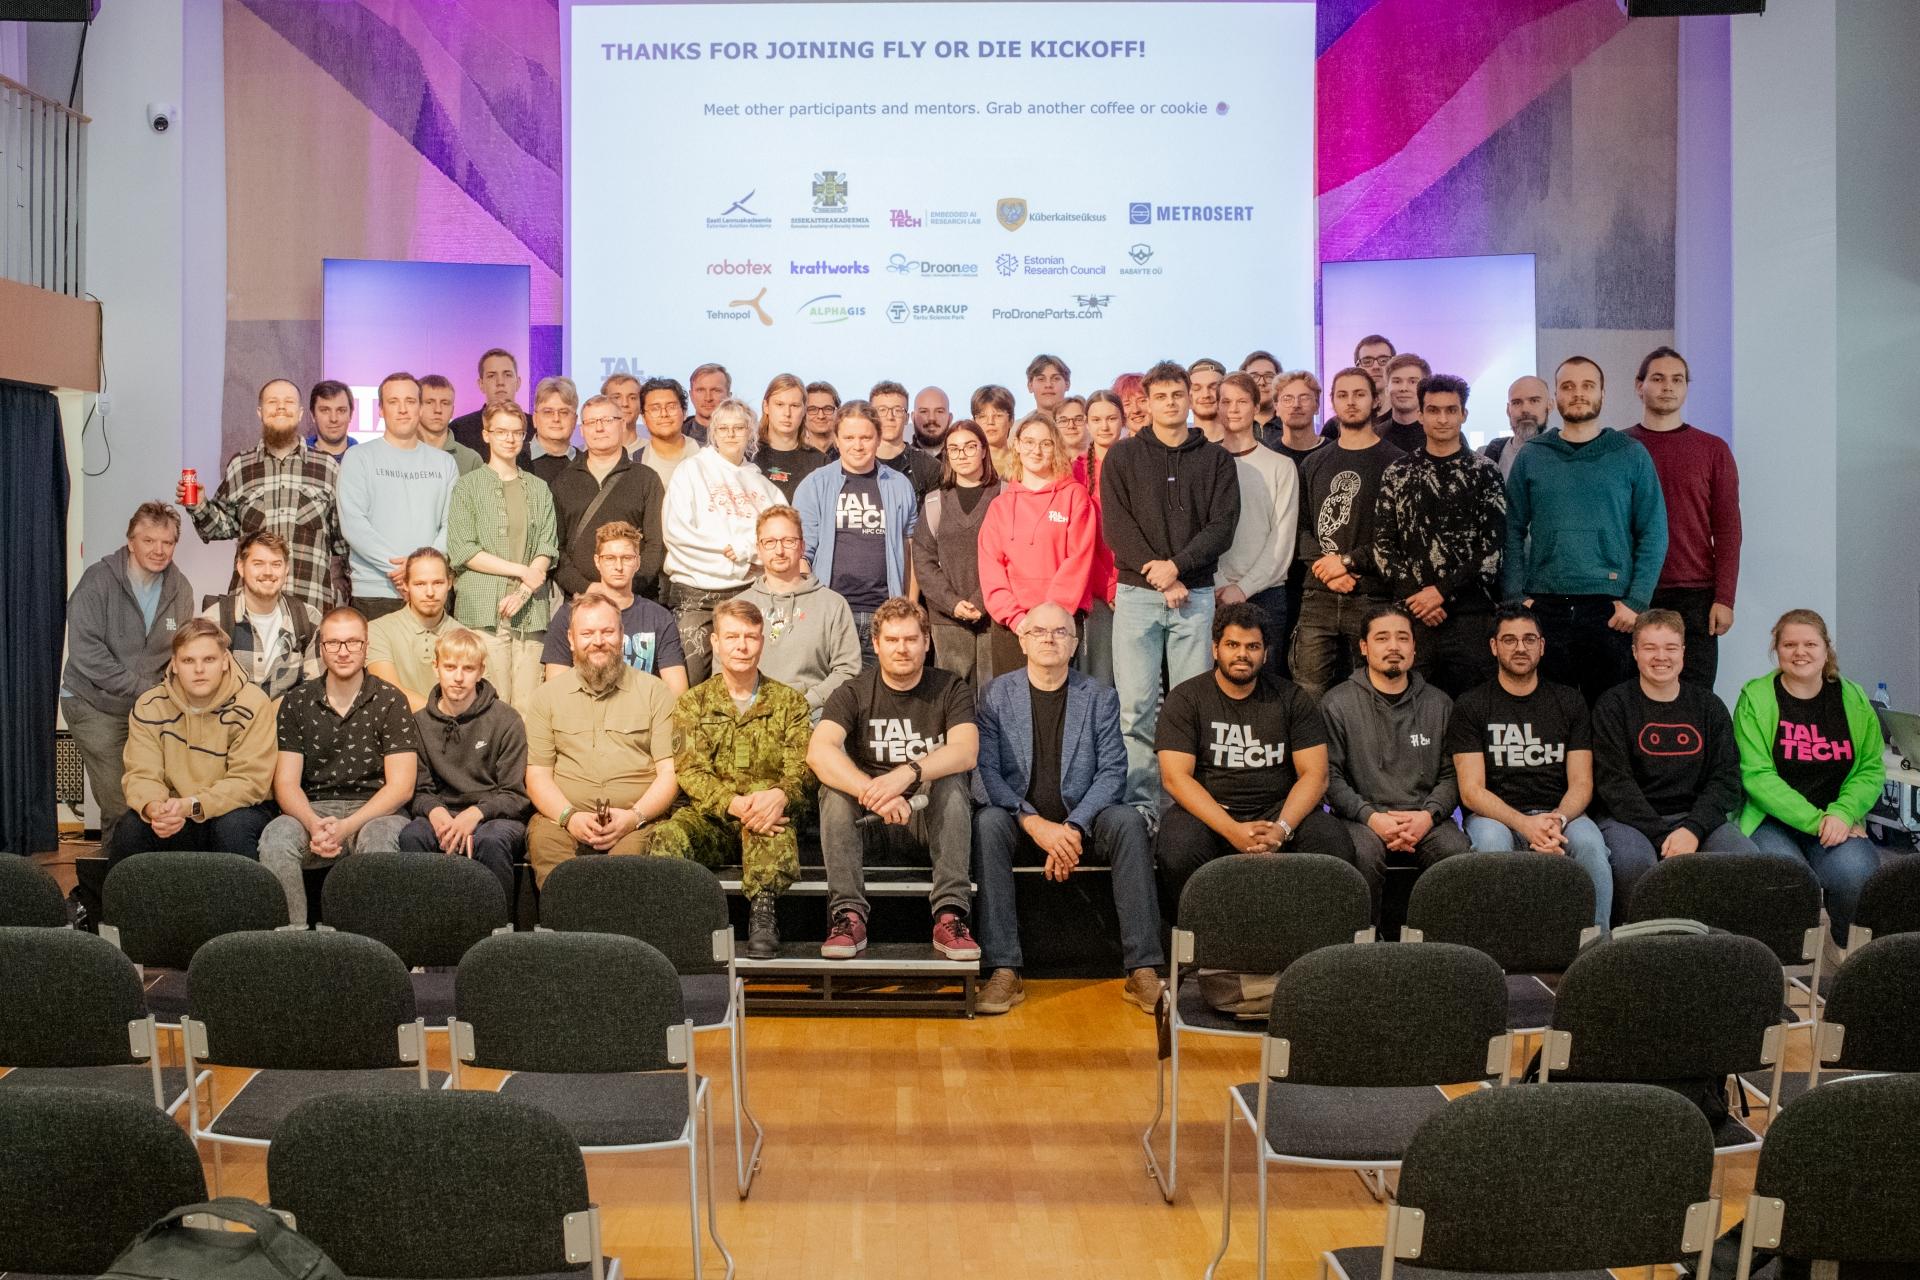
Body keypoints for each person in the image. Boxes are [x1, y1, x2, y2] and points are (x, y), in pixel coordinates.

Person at [971, 603, 1163, 1015]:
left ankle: (1143, 968)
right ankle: (1003, 969)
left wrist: (1073, 827)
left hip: (1084, 824)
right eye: (1038, 631)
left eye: (1060, 632)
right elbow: (984, 772)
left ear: (1075, 645)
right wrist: (1033, 823)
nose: (1049, 639)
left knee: (1128, 821)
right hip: (1020, 822)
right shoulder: (995, 695)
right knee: (987, 823)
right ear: (1022, 641)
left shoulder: (1100, 697)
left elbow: (1113, 772)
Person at [807, 598, 980, 960]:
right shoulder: (853, 691)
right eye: (892, 640)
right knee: (833, 792)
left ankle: (950, 915)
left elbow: (966, 751)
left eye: (911, 639)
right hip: (868, 822)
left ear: (927, 642)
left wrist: (907, 773)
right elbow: (819, 751)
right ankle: (848, 916)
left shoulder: (950, 688)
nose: (902, 648)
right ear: (876, 643)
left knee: (952, 783)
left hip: (925, 819)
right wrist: (872, 792)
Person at [1153, 603, 1357, 910]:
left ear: (1266, 653)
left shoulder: (1292, 698)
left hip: (1278, 809)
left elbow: (1316, 776)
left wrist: (1282, 828)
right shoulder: (1186, 698)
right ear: (1215, 649)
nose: (1242, 654)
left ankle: (1308, 934)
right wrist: (1232, 830)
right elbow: (1175, 778)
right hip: (1211, 812)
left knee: (1332, 843)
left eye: (1252, 646)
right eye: (1232, 645)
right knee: (1178, 850)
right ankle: (1205, 933)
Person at [1102, 360, 1240, 810]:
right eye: (1160, 396)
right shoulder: (1122, 456)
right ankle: (1142, 806)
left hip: (1194, 596)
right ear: (1146, 402)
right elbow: (1117, 528)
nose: (1170, 403)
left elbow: (1222, 526)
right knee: (1135, 710)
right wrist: (1159, 575)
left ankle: (1187, 807)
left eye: (1177, 395)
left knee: (1191, 709)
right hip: (1137, 595)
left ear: (1191, 398)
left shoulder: (1216, 459)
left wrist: (1177, 568)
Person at [1503, 356, 1668, 705]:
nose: (1578, 393)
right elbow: (1510, 529)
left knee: (1608, 712)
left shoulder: (1630, 454)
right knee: (1551, 713)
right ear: (1556, 398)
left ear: (1602, 394)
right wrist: (1518, 597)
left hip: (1611, 610)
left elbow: (1654, 532)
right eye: (1568, 386)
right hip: (1545, 605)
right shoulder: (1533, 455)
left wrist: (1636, 602)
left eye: (1587, 386)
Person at [657, 599, 814, 958]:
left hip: (767, 817)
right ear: (715, 642)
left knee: (773, 825)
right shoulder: (693, 703)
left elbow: (803, 768)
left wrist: (780, 795)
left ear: (762, 642)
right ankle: (677, 924)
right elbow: (691, 770)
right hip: (711, 819)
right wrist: (732, 803)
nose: (741, 646)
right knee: (667, 835)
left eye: (750, 637)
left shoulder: (789, 703)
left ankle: (763, 914)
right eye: (732, 637)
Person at [1446, 604, 1612, 927]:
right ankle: (1496, 947)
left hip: (1560, 814)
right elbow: (1471, 791)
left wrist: (1558, 820)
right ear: (1494, 647)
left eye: (1529, 639)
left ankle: (1596, 946)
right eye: (1509, 640)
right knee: (1492, 846)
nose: (1520, 648)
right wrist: (1525, 824)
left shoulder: (1570, 702)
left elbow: (1582, 783)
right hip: (1495, 816)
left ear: (1542, 646)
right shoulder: (1471, 705)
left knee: (1591, 846)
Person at [1734, 609, 1886, 945]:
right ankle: (1787, 960)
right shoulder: (1755, 699)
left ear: (1826, 649)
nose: (1799, 652)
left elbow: (1870, 767)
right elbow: (1756, 775)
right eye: (1789, 644)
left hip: (1836, 819)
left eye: (1810, 644)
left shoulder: (1854, 699)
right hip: (1771, 821)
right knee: (1788, 880)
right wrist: (1819, 821)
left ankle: (1846, 954)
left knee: (1859, 875)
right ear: (1777, 649)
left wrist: (1843, 812)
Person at [258, 607, 418, 924]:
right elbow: (286, 784)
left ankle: (371, 943)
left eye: (353, 642)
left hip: (376, 810)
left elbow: (401, 787)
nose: (343, 652)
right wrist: (313, 823)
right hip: (313, 808)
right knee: (276, 838)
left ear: (366, 646)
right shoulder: (297, 701)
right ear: (321, 648)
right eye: (333, 643)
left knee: (378, 841)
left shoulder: (391, 700)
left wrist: (348, 826)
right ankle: (292, 939)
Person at [1593, 611, 1756, 913]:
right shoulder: (1613, 705)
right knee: (1636, 866)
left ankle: (1721, 939)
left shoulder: (1709, 706)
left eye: (1670, 647)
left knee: (1746, 860)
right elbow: (1614, 784)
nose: (1661, 657)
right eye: (1650, 648)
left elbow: (1726, 779)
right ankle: (1640, 938)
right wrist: (1663, 836)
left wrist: (1692, 830)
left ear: (1683, 651)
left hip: (1695, 818)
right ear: (1635, 652)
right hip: (1629, 821)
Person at [521, 594, 680, 887]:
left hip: (636, 821)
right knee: (546, 846)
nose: (598, 641)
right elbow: (537, 776)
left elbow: (669, 774)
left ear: (621, 636)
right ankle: (565, 916)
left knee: (620, 878)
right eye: (587, 633)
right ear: (571, 640)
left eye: (607, 632)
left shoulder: (655, 693)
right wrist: (569, 817)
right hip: (562, 819)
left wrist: (633, 817)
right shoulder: (547, 697)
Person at [62, 502, 197, 843]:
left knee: (157, 797)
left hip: (148, 708)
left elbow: (180, 652)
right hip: (94, 704)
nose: (158, 550)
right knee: (121, 803)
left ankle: (149, 872)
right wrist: (145, 689)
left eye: (167, 542)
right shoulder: (98, 581)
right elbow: (87, 655)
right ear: (131, 541)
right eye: (149, 540)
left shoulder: (180, 588)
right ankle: (116, 873)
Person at [1320, 605, 1467, 915]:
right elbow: (1330, 777)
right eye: (1382, 638)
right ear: (1364, 647)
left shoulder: (1440, 704)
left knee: (1455, 853)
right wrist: (1371, 817)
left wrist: (1427, 816)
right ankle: (1364, 938)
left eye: (1402, 638)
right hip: (1361, 818)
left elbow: (1453, 775)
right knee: (1361, 854)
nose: (1393, 646)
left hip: (1425, 817)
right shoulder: (1336, 703)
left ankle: (1439, 940)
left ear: (1414, 647)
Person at [1374, 374, 1505, 698]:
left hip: (1471, 617)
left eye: (1451, 410)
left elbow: (1491, 550)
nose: (1442, 419)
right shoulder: (1398, 472)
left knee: (1473, 711)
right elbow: (1384, 546)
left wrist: (1441, 592)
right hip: (1413, 617)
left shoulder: (1485, 471)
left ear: (1464, 414)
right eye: (1433, 410)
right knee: (1411, 710)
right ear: (1420, 414)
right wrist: (1419, 599)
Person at [109, 619, 277, 865]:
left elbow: (249, 782)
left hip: (236, 809)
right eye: (188, 660)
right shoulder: (149, 705)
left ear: (225, 661)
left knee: (232, 829)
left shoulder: (253, 703)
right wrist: (155, 809)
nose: (199, 669)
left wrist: (194, 805)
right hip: (174, 808)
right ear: (174, 664)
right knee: (130, 830)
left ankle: (242, 893)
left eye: (209, 659)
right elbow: (141, 773)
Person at [1626, 347, 1742, 687]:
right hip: (1632, 592)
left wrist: (1725, 598)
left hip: (1695, 594)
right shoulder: (1619, 447)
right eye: (1658, 378)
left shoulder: (1713, 449)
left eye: (1677, 379)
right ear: (1639, 386)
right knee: (1631, 694)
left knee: (1695, 695)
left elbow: (1728, 529)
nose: (1668, 386)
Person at [181, 377, 345, 615]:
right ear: (260, 412)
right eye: (272, 402)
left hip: (309, 602)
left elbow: (341, 541)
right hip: (249, 604)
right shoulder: (240, 465)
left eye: (289, 402)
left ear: (300, 413)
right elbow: (220, 528)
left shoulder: (328, 467)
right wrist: (199, 505)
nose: (281, 407)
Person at [1290, 368, 1404, 700]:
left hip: (1371, 594)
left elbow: (1397, 536)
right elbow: (1301, 529)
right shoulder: (1313, 463)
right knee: (1308, 693)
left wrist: (1346, 563)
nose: (1351, 402)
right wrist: (1329, 569)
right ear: (1332, 402)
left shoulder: (1397, 463)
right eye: (1342, 395)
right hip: (1317, 594)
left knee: (1372, 693)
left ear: (1376, 401)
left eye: (1359, 394)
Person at [395, 627, 530, 902]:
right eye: (450, 667)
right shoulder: (419, 723)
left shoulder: (506, 720)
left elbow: (514, 795)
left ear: (481, 671)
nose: (458, 677)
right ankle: (421, 919)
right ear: (436, 667)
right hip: (442, 812)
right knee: (413, 835)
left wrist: (475, 814)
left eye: (468, 668)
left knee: (491, 841)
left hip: (494, 816)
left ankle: (497, 923)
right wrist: (436, 812)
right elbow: (418, 790)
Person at [446, 402, 559, 708]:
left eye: (517, 432)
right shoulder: (467, 487)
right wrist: (521, 571)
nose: (510, 439)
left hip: (530, 612)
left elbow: (547, 547)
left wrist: (523, 591)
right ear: (486, 435)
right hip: (482, 610)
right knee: (487, 706)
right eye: (501, 432)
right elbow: (463, 550)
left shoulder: (539, 488)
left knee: (528, 707)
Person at [662, 398, 783, 683]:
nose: (730, 434)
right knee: (693, 681)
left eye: (738, 428)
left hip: (748, 594)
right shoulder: (690, 471)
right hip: (696, 595)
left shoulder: (764, 486)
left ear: (750, 433)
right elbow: (676, 532)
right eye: (723, 428)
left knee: (745, 680)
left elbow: (779, 535)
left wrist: (746, 552)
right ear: (713, 433)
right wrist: (731, 557)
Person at [794, 401, 919, 665]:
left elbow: (911, 549)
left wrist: (910, 606)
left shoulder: (899, 485)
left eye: (865, 437)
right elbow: (802, 553)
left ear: (878, 438)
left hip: (885, 612)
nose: (858, 445)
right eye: (849, 437)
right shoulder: (815, 484)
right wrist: (812, 606)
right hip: (832, 612)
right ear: (837, 439)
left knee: (882, 688)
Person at [979, 412, 1097, 673]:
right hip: (1014, 626)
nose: (1037, 450)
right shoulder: (1000, 505)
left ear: (1056, 448)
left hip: (1060, 623)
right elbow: (991, 567)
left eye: (1046, 443)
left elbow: (1079, 559)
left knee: (1061, 696)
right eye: (1029, 442)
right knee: (1013, 697)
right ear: (1017, 446)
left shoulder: (1074, 496)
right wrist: (1016, 618)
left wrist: (1050, 618)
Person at [335, 372, 458, 620]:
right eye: (393, 402)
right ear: (381, 409)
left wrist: (421, 572)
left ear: (420, 408)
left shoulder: (445, 463)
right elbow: (354, 525)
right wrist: (405, 571)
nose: (402, 409)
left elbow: (452, 525)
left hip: (430, 592)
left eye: (410, 401)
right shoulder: (358, 457)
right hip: (374, 592)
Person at [740, 505, 860, 723]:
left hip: (813, 714)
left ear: (802, 546)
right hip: (752, 716)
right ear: (759, 548)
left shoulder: (832, 604)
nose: (779, 550)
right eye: (770, 542)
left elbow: (847, 670)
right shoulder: (739, 606)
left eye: (789, 541)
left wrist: (805, 702)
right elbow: (723, 672)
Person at [543, 522, 688, 693]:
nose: (619, 567)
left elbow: (677, 690)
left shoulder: (658, 617)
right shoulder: (569, 615)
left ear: (638, 562)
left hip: (641, 706)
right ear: (597, 561)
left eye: (627, 558)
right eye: (610, 558)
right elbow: (555, 688)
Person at [551, 393, 667, 601]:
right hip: (581, 600)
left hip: (635, 598)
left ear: (622, 424)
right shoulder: (563, 481)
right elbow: (556, 548)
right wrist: (585, 587)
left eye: (607, 420)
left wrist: (628, 587)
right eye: (591, 422)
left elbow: (656, 545)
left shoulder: (646, 479)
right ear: (582, 430)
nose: (599, 428)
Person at [912, 420, 1003, 684]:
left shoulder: (1006, 495)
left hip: (996, 617)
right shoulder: (934, 502)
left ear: (984, 450)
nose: (962, 455)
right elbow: (924, 560)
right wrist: (953, 603)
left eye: (970, 447)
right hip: (947, 620)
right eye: (954, 449)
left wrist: (981, 602)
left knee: (995, 694)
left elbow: (1013, 557)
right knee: (952, 695)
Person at [1213, 371, 1297, 648]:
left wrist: (1243, 588)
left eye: (1242, 402)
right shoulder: (1204, 463)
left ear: (1256, 406)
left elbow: (1281, 539)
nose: (1233, 409)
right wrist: (1220, 584)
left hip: (1266, 593)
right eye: (1226, 402)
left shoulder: (1280, 466)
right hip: (1212, 592)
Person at [200, 530, 322, 702]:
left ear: (286, 569)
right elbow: (203, 690)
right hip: (231, 717)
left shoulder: (308, 619)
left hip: (289, 716)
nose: (268, 572)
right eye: (258, 564)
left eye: (276, 564)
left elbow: (314, 689)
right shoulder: (214, 621)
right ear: (241, 567)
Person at [366, 548, 457, 713]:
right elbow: (391, 692)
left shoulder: (465, 636)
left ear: (449, 583)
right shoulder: (377, 630)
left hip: (454, 726)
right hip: (400, 724)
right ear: (405, 584)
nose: (430, 592)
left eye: (438, 583)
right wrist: (443, 716)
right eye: (420, 584)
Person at [1080, 390, 1127, 683]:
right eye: (1096, 419)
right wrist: (1108, 588)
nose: (1105, 426)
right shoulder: (1075, 470)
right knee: (1100, 675)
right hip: (1095, 589)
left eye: (1111, 418)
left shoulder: (1138, 464)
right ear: (1086, 423)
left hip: (1134, 582)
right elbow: (1078, 541)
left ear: (1123, 420)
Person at [757, 372, 827, 501]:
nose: (787, 413)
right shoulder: (749, 455)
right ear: (766, 406)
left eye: (794, 406)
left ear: (804, 409)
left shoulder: (820, 462)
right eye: (779, 404)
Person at [870, 380, 941, 499]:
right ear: (871, 416)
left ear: (907, 418)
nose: (890, 417)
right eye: (882, 410)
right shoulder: (855, 463)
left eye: (898, 410)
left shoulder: (927, 466)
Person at [448, 347, 523, 455]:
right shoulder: (459, 429)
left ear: (518, 383)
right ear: (481, 384)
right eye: (491, 376)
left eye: (507, 375)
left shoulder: (536, 428)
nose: (500, 382)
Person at [638, 377, 704, 489]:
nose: (664, 414)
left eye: (671, 407)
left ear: (685, 412)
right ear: (643, 418)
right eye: (655, 409)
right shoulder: (635, 461)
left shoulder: (706, 454)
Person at [416, 374, 485, 476]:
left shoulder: (471, 460)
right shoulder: (398, 454)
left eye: (445, 403)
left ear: (452, 410)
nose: (438, 410)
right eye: (429, 402)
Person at [1483, 375, 1548, 478]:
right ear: (1508, 410)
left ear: (1550, 405)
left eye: (1534, 401)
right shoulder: (1485, 457)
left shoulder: (1564, 455)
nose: (1525, 409)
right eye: (1516, 403)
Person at [1263, 370, 1326, 467]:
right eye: (1287, 399)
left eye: (1304, 398)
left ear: (1317, 406)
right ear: (1276, 408)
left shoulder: (1335, 453)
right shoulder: (1267, 456)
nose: (1296, 405)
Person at [526, 377, 581, 486]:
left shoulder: (588, 463)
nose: (556, 418)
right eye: (548, 412)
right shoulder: (514, 459)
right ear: (535, 419)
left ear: (575, 420)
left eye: (564, 412)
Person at [1377, 353, 1432, 454]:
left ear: (1426, 390)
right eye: (1397, 381)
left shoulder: (1443, 434)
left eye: (1413, 382)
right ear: (1386, 390)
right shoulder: (1373, 436)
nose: (1404, 388)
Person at [971, 384, 1019, 481]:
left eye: (998, 415)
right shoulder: (967, 463)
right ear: (974, 422)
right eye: (982, 416)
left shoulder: (1023, 462)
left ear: (1011, 420)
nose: (990, 422)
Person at [1353, 333, 1396, 431]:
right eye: (1367, 362)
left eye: (1384, 360)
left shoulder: (1411, 420)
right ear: (1357, 368)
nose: (1376, 367)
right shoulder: (1336, 426)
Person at [307, 379, 357, 458]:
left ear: (350, 415)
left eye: (341, 410)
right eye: (325, 410)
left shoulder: (366, 458)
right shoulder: (295, 459)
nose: (333, 419)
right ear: (313, 415)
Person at [1240, 350, 1282, 434]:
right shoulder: (1230, 427)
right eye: (1254, 377)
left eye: (1269, 376)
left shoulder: (1292, 425)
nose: (1262, 382)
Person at [687, 362, 730, 444]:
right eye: (700, 390)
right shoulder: (675, 435)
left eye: (716, 390)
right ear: (691, 395)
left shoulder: (749, 437)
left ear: (729, 396)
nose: (708, 398)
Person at [602, 372, 644, 454]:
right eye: (617, 397)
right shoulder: (586, 453)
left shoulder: (653, 450)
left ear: (641, 405)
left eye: (632, 398)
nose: (625, 404)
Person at [1188, 357, 1226, 442]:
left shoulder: (1246, 445)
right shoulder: (1176, 446)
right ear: (1188, 399)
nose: (1206, 395)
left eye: (1213, 387)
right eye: (1197, 388)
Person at [1053, 396, 1090, 475]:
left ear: (1088, 423)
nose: (1071, 426)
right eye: (1063, 421)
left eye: (1078, 419)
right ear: (1055, 426)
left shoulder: (1103, 462)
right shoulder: (1047, 465)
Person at [802, 381, 840, 452]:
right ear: (802, 413)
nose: (821, 416)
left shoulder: (849, 451)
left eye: (828, 409)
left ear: (838, 412)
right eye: (812, 409)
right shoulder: (793, 453)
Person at [913, 386, 952, 452]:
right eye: (924, 411)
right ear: (913, 417)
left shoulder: (963, 458)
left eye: (939, 411)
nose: (931, 418)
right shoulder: (901, 457)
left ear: (950, 418)